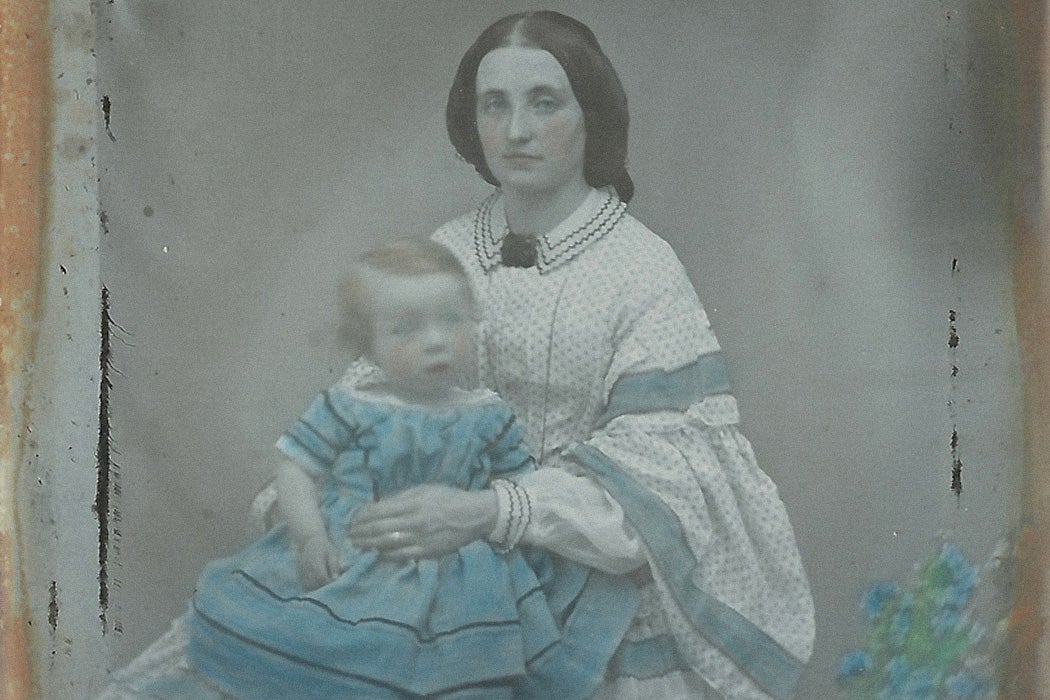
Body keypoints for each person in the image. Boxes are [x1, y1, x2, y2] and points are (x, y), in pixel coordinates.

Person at [346, 11, 815, 700]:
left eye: (544, 102)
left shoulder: (641, 269)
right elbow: (371, 400)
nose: (517, 131)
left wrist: (489, 512)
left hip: (602, 609)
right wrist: (323, 485)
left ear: (591, 114)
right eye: (494, 105)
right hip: (453, 591)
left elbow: (662, 486)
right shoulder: (445, 251)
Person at [99, 240, 639, 699]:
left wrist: (496, 519)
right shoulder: (352, 405)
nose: (435, 340)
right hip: (360, 551)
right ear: (370, 346)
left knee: (457, 666)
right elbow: (294, 465)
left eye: (451, 321)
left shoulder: (487, 413)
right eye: (407, 329)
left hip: (458, 570)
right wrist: (309, 536)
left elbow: (521, 483)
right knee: (331, 650)